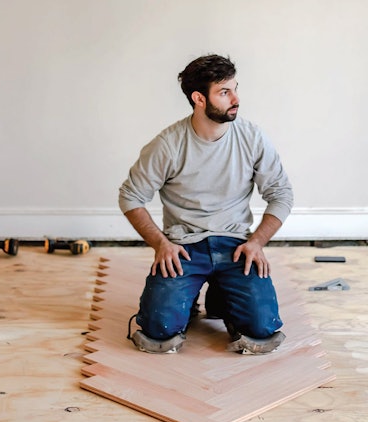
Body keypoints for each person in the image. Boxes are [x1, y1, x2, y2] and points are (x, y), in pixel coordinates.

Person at [119, 54, 293, 354]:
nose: (235, 98)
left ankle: (221, 296)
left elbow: (281, 193)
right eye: (224, 92)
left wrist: (257, 243)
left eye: (235, 89)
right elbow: (130, 196)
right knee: (159, 329)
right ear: (199, 98)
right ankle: (191, 299)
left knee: (263, 327)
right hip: (185, 247)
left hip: (236, 244)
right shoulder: (168, 144)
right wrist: (161, 245)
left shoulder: (252, 137)